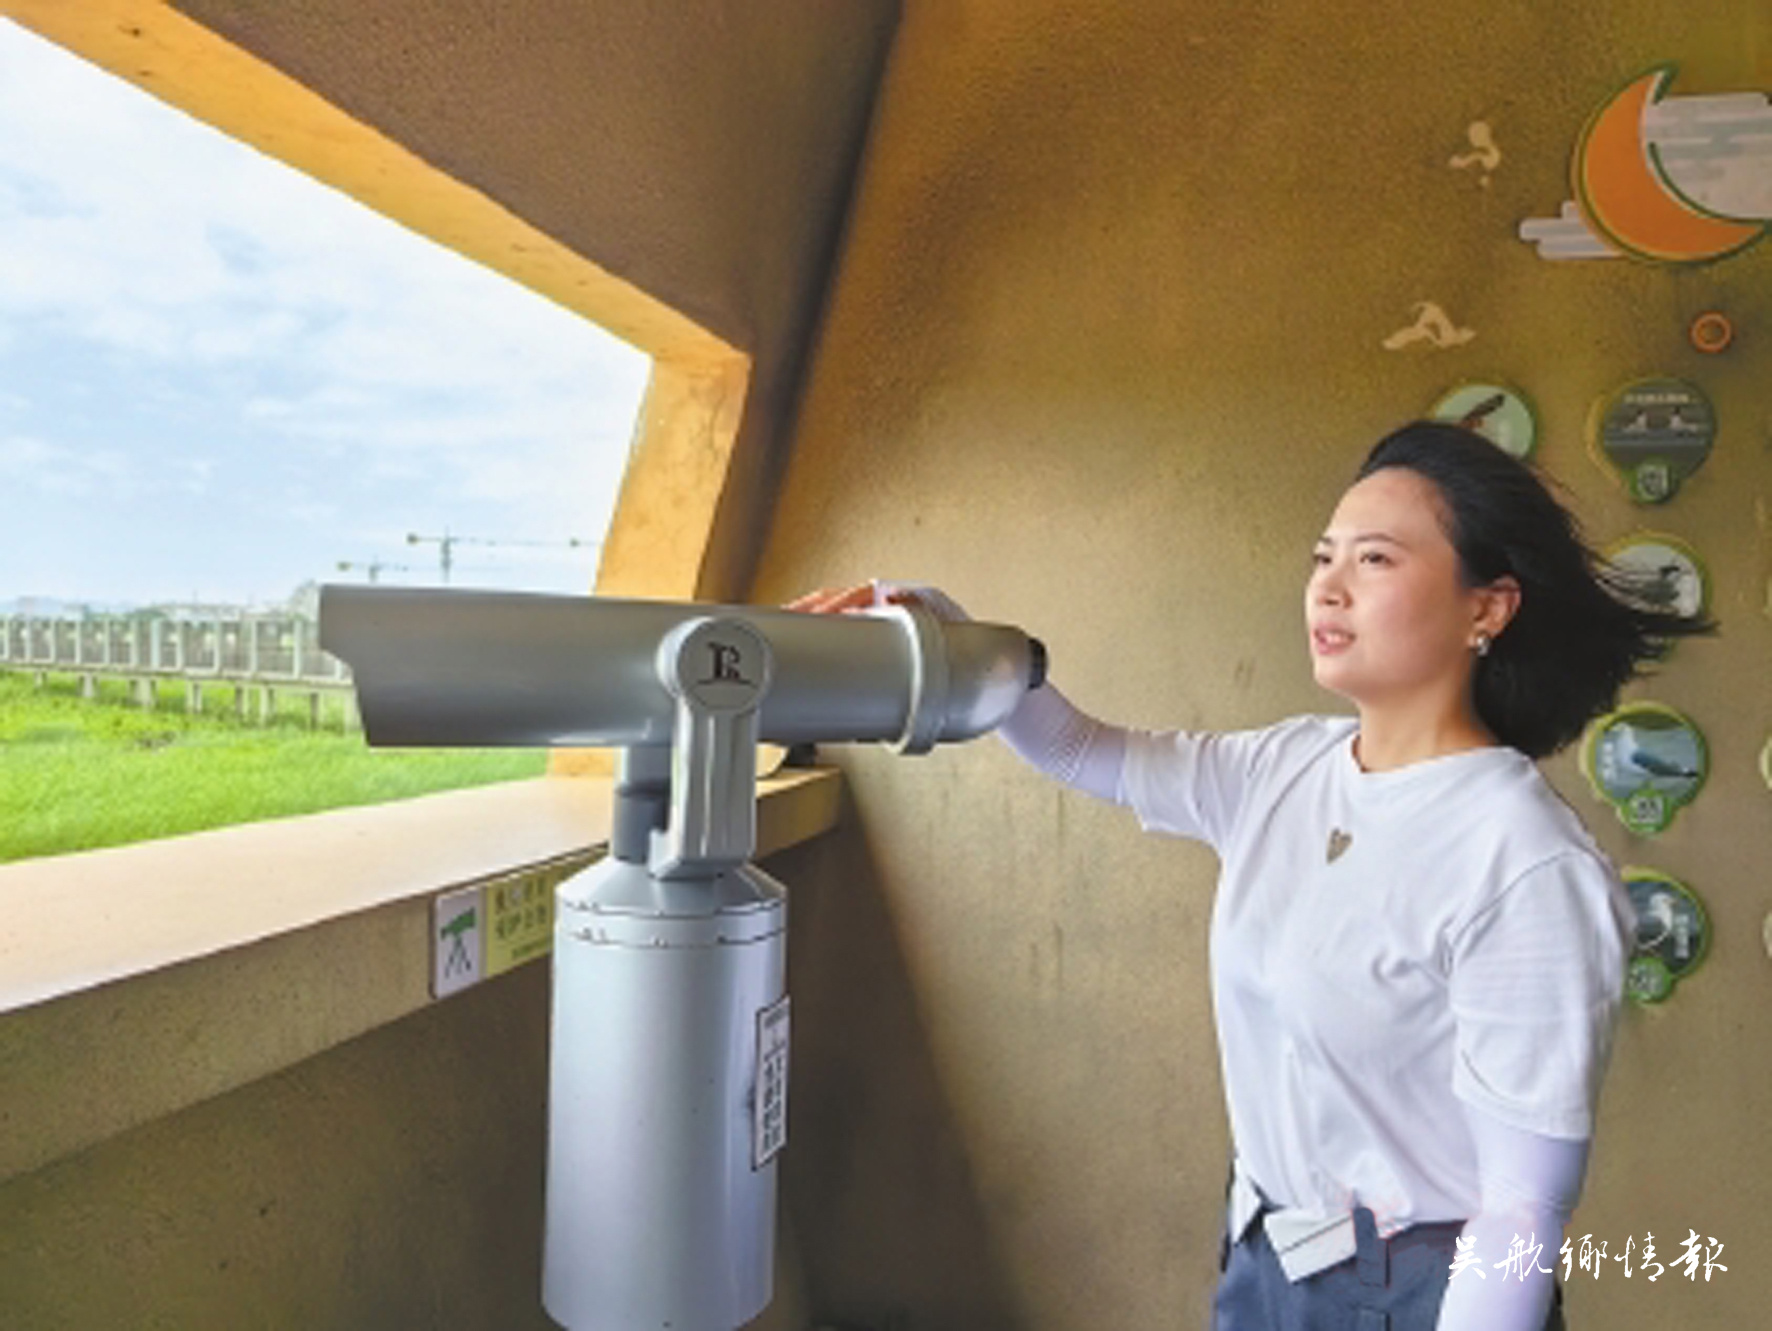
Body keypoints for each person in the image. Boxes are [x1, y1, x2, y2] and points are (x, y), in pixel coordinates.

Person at [786, 420, 1715, 1330]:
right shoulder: (1287, 768)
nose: (1329, 588)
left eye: (1376, 561)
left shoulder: (1523, 862)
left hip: (1426, 1296)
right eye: (1323, 558)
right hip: (1267, 1259)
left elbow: (1521, 1214)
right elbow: (1077, 746)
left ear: (1488, 607)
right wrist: (948, 632)